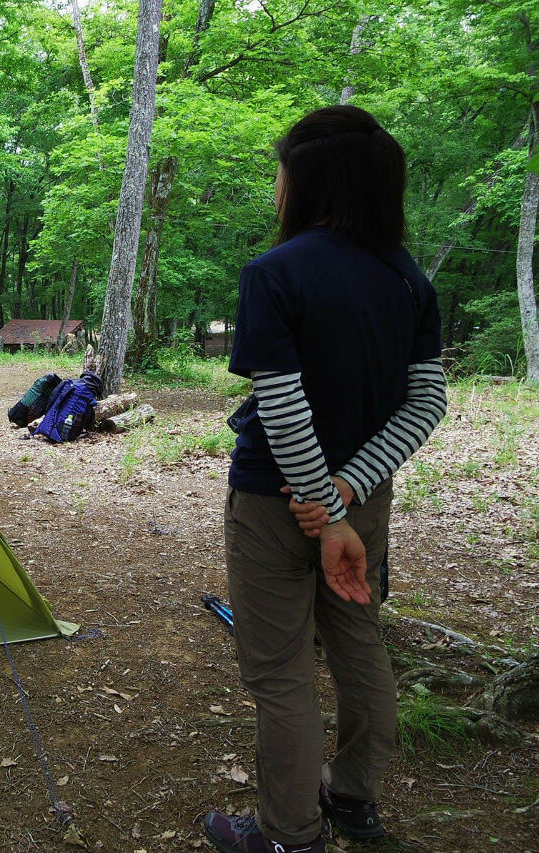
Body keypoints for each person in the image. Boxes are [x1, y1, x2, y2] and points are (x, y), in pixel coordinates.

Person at [202, 106, 447, 853]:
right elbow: (428, 399)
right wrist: (347, 490)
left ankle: (289, 834)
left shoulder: (274, 273)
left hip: (281, 507)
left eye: (280, 171)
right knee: (358, 642)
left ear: (308, 182)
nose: (274, 186)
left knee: (280, 674)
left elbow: (281, 399)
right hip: (360, 504)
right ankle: (354, 800)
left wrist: (321, 502)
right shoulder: (407, 278)